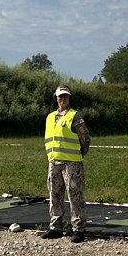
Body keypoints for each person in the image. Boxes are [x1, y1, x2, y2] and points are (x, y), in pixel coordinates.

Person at [41, 85, 91, 243]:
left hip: (71, 163)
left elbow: (85, 139)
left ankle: (78, 228)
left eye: (66, 96)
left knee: (75, 195)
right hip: (54, 162)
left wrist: (78, 154)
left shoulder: (75, 116)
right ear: (55, 98)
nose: (63, 99)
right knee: (54, 194)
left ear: (69, 98)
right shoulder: (50, 117)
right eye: (60, 96)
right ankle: (56, 227)